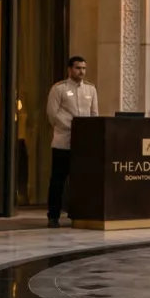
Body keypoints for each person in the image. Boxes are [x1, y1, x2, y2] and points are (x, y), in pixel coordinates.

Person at [45, 56, 98, 227]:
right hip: (63, 142)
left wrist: (87, 131)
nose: (81, 71)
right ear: (70, 69)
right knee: (58, 180)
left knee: (83, 180)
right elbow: (52, 114)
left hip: (83, 145)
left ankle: (79, 214)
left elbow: (94, 114)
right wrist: (73, 127)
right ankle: (53, 216)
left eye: (83, 68)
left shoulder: (91, 90)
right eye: (77, 68)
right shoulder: (59, 89)